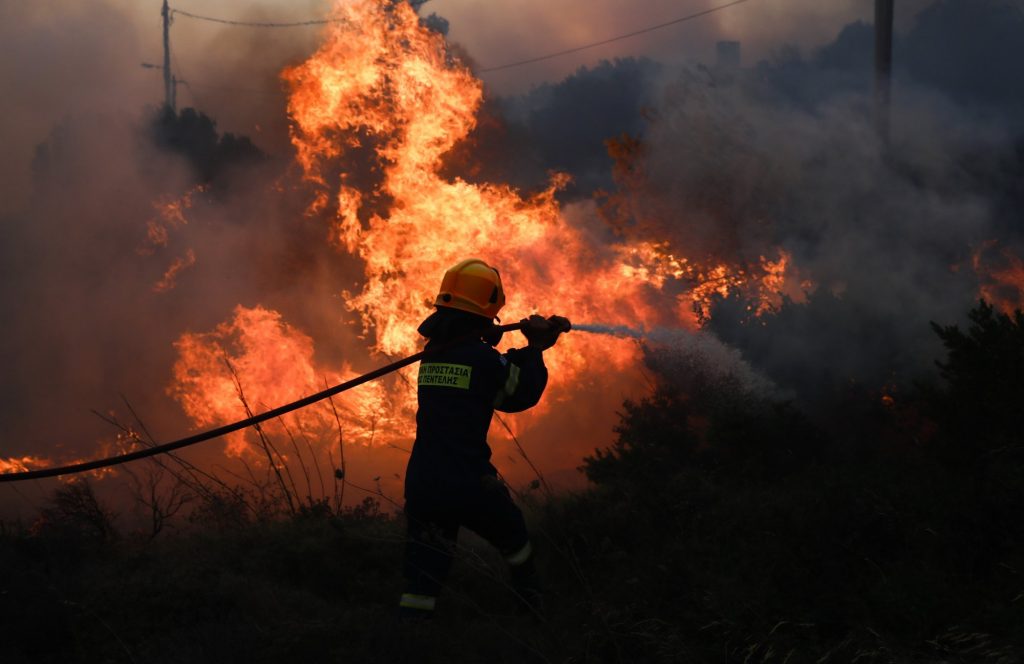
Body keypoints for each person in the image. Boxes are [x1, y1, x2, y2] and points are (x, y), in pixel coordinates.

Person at [399, 258, 569, 620]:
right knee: (514, 538)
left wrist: (523, 350)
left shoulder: (432, 356)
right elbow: (519, 394)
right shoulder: (481, 359)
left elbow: (484, 368)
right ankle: (531, 607)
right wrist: (536, 349)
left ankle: (410, 635)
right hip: (467, 480)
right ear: (485, 313)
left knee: (424, 571)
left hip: (424, 481)